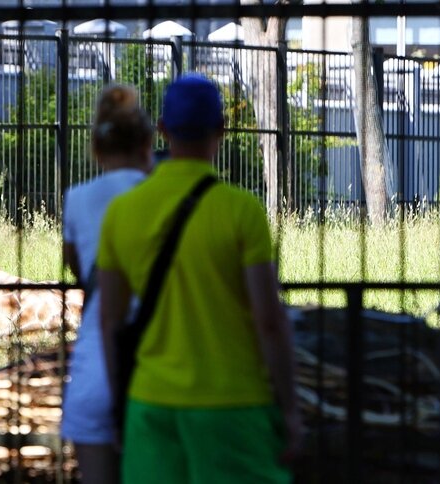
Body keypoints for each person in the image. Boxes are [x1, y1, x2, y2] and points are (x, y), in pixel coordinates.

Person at [97, 74, 301, 483]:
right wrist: (291, 408)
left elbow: (110, 322)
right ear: (222, 130)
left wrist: (120, 404)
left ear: (163, 130)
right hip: (234, 405)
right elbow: (269, 321)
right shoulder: (242, 211)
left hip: (151, 404)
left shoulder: (121, 212)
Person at [60, 84, 154, 484]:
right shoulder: (161, 195)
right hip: (153, 372)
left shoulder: (77, 198)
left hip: (91, 371)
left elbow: (79, 271)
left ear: (96, 150)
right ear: (148, 142)